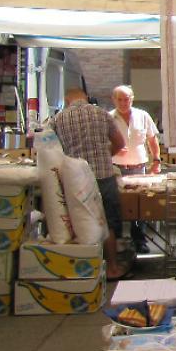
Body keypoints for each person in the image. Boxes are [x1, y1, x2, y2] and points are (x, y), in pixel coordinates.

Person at [51, 88, 128, 280]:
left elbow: (53, 152)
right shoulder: (102, 114)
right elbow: (120, 143)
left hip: (75, 180)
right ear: (85, 98)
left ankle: (83, 270)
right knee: (108, 222)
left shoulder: (58, 119)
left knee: (78, 223)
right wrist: (104, 156)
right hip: (103, 175)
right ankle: (112, 269)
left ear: (67, 100)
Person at [109, 84, 160, 257]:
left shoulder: (142, 116)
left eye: (127, 99)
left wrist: (156, 160)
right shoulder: (108, 118)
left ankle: (139, 241)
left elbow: (152, 140)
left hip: (138, 167)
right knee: (116, 204)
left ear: (132, 99)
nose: (123, 103)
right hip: (116, 168)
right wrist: (113, 149)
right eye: (120, 100)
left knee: (140, 205)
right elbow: (102, 142)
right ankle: (117, 241)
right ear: (113, 100)